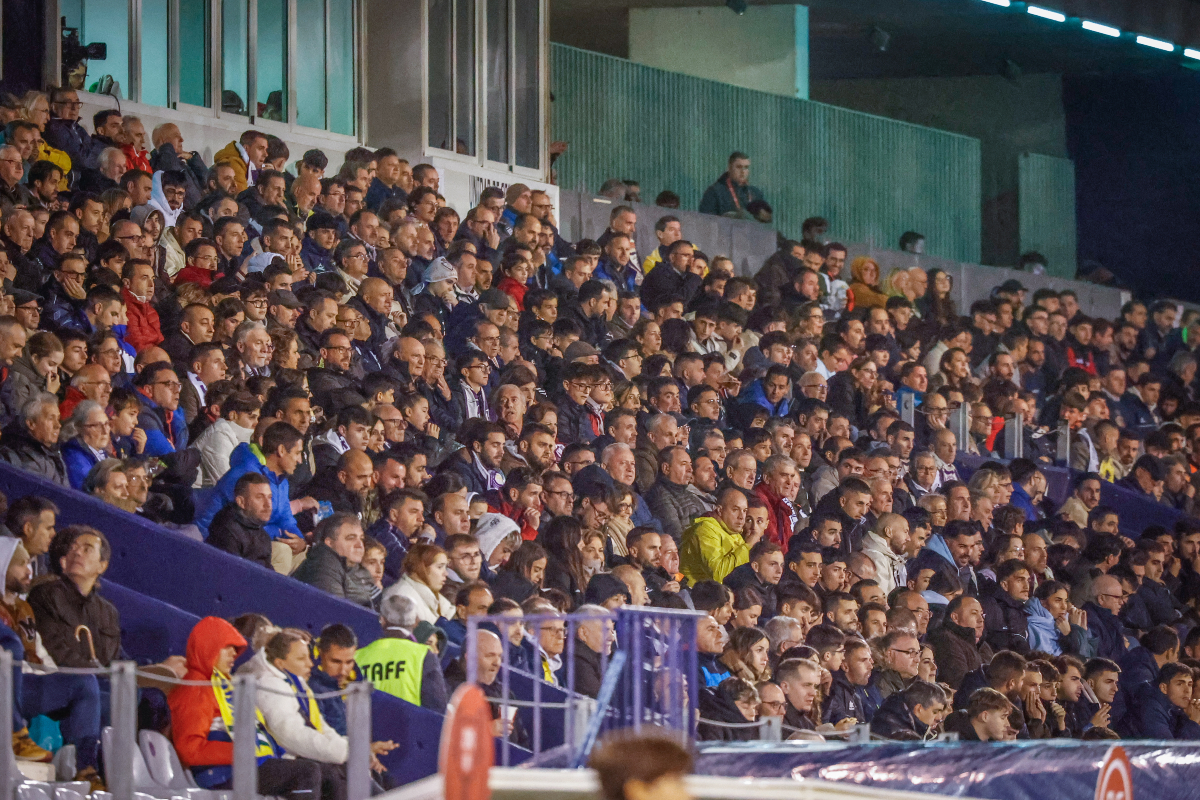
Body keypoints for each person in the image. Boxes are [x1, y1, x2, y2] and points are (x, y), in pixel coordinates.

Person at [169, 616, 327, 799]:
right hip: (221, 774)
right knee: (306, 773)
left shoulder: (222, 684)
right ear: (208, 647)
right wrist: (241, 751)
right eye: (227, 647)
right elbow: (190, 749)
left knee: (326, 772)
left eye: (235, 649)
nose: (233, 654)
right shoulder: (196, 688)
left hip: (241, 766)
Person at [354, 591, 448, 711]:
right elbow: (437, 708)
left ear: (382, 620)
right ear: (416, 622)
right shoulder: (424, 655)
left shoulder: (358, 656)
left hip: (367, 722)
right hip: (409, 722)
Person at [292, 513, 376, 607]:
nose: (360, 545)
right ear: (330, 543)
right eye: (351, 538)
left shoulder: (359, 570)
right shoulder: (323, 563)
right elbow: (334, 609)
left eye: (361, 539)